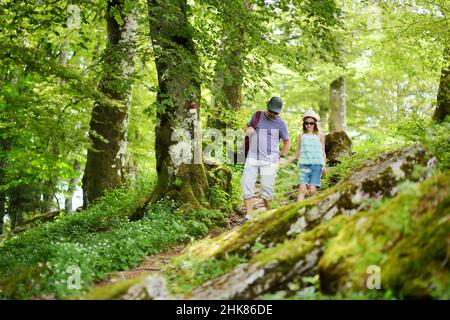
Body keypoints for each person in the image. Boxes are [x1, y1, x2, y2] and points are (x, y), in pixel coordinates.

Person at [240, 96, 290, 224]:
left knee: (267, 189)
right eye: (271, 111)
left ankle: (269, 216)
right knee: (247, 183)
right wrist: (248, 129)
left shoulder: (281, 124)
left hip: (270, 160)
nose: (273, 114)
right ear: (267, 106)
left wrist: (282, 158)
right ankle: (249, 215)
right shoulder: (257, 115)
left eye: (276, 112)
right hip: (252, 157)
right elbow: (246, 126)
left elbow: (286, 142)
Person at [290, 108, 326, 202]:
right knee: (301, 189)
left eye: (311, 123)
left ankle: (312, 211)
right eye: (306, 123)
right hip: (303, 165)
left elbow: (323, 152)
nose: (309, 125)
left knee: (312, 191)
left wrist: (324, 165)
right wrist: (284, 161)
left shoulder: (320, 136)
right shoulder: (302, 136)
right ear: (304, 124)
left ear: (315, 124)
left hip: (316, 165)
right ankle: (298, 211)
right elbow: (296, 153)